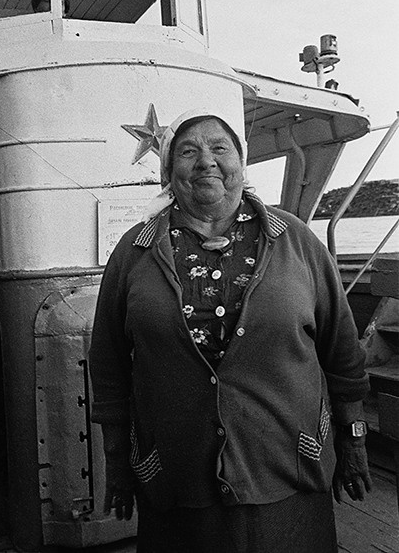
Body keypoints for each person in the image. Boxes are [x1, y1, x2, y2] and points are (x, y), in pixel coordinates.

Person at [89, 106, 371, 553]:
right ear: (169, 172)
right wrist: (117, 461)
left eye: (220, 147)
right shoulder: (134, 251)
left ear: (241, 163)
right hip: (176, 480)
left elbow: (342, 351)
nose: (206, 161)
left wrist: (352, 437)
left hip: (289, 470)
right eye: (188, 151)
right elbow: (108, 366)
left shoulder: (297, 242)